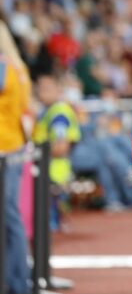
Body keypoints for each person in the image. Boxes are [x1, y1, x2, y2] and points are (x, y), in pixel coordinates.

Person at [0, 18, 61, 294]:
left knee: (8, 218)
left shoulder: (3, 67)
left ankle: (16, 285)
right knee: (11, 217)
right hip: (13, 144)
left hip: (3, 146)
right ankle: (19, 281)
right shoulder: (18, 67)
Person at [32, 75, 81, 230]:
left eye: (46, 89)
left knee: (50, 223)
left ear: (57, 90)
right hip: (49, 169)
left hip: (53, 171)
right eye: (39, 89)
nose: (41, 93)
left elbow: (61, 147)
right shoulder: (48, 110)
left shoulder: (59, 114)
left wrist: (34, 153)